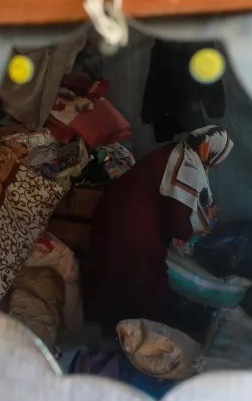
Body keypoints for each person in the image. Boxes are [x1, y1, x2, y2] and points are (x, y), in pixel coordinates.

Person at [84, 125, 233, 336]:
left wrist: (205, 213)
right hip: (132, 221)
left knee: (110, 267)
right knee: (145, 276)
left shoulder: (182, 151)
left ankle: (106, 321)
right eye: (223, 156)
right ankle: (145, 332)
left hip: (114, 206)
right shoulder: (188, 165)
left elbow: (189, 196)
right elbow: (177, 220)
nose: (222, 162)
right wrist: (194, 232)